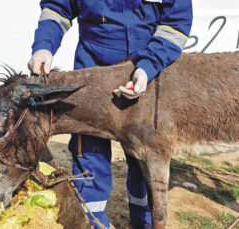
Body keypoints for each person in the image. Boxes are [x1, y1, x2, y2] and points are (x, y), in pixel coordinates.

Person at [28, 1, 193, 228]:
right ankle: (91, 221)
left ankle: (144, 220)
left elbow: (175, 23)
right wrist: (43, 47)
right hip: (93, 71)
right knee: (90, 150)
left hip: (145, 73)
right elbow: (58, 8)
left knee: (144, 154)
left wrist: (148, 66)